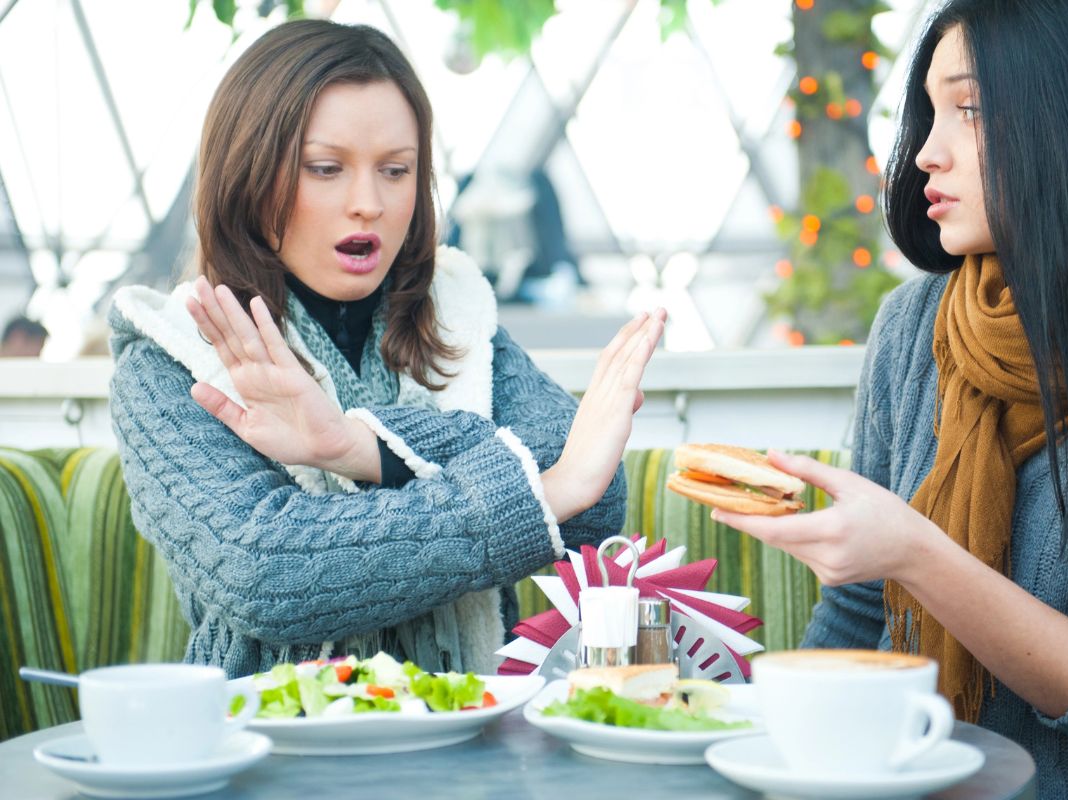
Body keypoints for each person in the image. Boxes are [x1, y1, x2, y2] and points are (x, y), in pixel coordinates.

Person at [715, 1, 1068, 797]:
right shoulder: (913, 330)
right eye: (929, 113)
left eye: (969, 110)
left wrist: (915, 552)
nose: (925, 155)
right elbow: (856, 623)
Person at [107, 19, 664, 680]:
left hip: (474, 737)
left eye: (396, 170)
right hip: (271, 751)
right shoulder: (165, 362)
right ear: (249, 174)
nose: (368, 203)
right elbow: (270, 572)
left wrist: (360, 448)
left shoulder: (457, 311)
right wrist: (532, 491)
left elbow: (588, 498)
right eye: (325, 168)